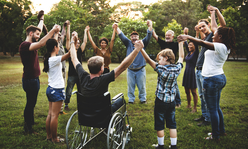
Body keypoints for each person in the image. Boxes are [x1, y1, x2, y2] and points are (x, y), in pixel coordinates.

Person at [177, 5, 235, 141]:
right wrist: (214, 13)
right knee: (216, 107)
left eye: (215, 35)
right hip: (218, 78)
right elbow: (217, 27)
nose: (213, 36)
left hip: (212, 80)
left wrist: (188, 36)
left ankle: (215, 135)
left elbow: (202, 42)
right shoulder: (223, 44)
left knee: (213, 109)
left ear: (220, 37)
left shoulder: (220, 46)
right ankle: (221, 131)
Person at [69, 31, 144, 103]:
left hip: (85, 112)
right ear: (102, 69)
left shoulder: (82, 76)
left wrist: (72, 41)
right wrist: (137, 49)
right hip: (102, 112)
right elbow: (123, 66)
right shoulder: (104, 79)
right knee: (121, 101)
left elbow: (74, 58)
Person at [19, 12, 60, 134]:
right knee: (30, 103)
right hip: (29, 80)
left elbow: (39, 32)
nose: (38, 36)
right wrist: (52, 30)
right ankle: (28, 127)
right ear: (30, 34)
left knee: (32, 102)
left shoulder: (30, 43)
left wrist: (41, 19)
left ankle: (30, 122)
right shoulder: (25, 45)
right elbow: (42, 43)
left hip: (34, 79)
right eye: (37, 34)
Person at [140, 40, 184, 149]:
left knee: (160, 124)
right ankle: (173, 146)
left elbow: (147, 60)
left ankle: (161, 145)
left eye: (160, 58)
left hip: (160, 101)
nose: (158, 61)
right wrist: (181, 43)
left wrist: (140, 49)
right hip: (172, 101)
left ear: (166, 58)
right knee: (172, 123)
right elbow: (181, 57)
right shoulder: (177, 68)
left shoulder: (161, 69)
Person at [193, 4, 226, 127]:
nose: (202, 28)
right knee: (202, 96)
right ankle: (205, 115)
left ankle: (209, 120)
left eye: (203, 26)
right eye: (200, 27)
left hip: (208, 73)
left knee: (207, 98)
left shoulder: (213, 37)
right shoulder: (208, 37)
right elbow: (202, 36)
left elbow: (221, 26)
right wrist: (198, 30)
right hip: (200, 69)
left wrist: (215, 12)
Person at [115, 20, 153, 104]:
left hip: (140, 70)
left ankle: (143, 99)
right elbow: (121, 35)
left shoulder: (142, 43)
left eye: (136, 36)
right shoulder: (128, 43)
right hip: (130, 70)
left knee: (142, 86)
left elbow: (149, 35)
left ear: (138, 37)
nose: (134, 37)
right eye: (132, 36)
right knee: (130, 86)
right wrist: (116, 28)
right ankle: (131, 100)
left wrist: (150, 25)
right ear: (130, 38)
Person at [43, 38, 71, 143]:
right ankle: (55, 139)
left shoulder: (49, 58)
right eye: (58, 45)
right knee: (54, 115)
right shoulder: (54, 59)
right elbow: (69, 54)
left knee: (50, 114)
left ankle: (49, 136)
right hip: (56, 89)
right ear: (55, 48)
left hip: (50, 89)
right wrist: (74, 41)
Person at [152, 29, 183, 108]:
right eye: (166, 35)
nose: (167, 36)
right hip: (162, 66)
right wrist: (150, 27)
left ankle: (177, 101)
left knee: (174, 85)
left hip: (172, 67)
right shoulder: (163, 43)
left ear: (172, 36)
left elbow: (181, 53)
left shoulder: (175, 44)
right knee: (162, 82)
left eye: (169, 35)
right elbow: (155, 36)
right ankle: (163, 98)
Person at [64, 26, 88, 110]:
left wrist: (85, 31)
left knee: (81, 90)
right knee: (69, 90)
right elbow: (68, 41)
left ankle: (81, 104)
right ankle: (66, 104)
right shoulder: (70, 50)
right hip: (71, 74)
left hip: (80, 74)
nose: (77, 44)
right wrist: (71, 35)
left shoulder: (80, 51)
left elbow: (85, 41)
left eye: (78, 43)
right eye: (76, 43)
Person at [53, 20, 70, 114]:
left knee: (63, 88)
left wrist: (64, 27)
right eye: (58, 34)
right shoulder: (53, 45)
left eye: (60, 34)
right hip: (58, 71)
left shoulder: (60, 43)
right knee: (59, 89)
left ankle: (60, 109)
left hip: (63, 69)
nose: (60, 36)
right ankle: (58, 109)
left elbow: (63, 34)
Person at [182, 27, 199, 113]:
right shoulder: (189, 52)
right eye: (189, 45)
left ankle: (195, 108)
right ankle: (189, 105)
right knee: (186, 91)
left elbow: (196, 41)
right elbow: (185, 42)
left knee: (193, 92)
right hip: (186, 73)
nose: (189, 46)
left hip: (192, 73)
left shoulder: (196, 53)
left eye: (191, 45)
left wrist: (197, 32)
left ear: (194, 46)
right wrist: (185, 33)